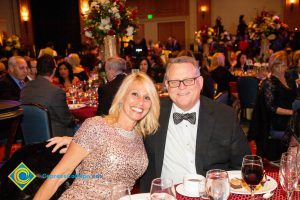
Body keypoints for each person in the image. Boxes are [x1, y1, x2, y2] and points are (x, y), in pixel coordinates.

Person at [34, 72, 160, 199]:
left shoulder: (139, 136)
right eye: (135, 94)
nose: (141, 102)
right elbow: (59, 175)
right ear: (122, 97)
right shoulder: (96, 126)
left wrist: (73, 139)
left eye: (147, 97)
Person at [139, 56, 250, 191]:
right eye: (174, 82)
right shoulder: (152, 112)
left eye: (188, 80)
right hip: (166, 194)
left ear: (200, 82)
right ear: (167, 85)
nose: (182, 87)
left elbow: (243, 166)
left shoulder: (225, 116)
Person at [20, 54, 76, 137]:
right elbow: (68, 121)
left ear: (37, 70)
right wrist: (75, 120)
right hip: (53, 138)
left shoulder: (25, 87)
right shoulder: (56, 91)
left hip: (30, 135)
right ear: (54, 70)